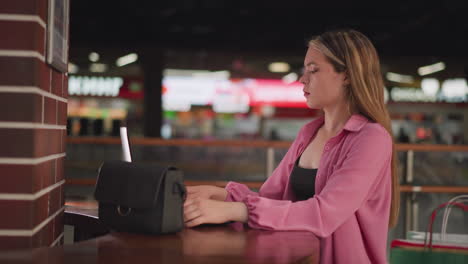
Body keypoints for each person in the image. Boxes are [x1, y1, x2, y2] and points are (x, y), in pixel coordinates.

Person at [183, 29, 400, 264]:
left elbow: (324, 213)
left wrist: (234, 210)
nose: (303, 79)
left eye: (313, 70)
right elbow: (271, 199)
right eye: (304, 70)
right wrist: (223, 194)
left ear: (346, 75)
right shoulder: (309, 133)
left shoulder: (371, 138)